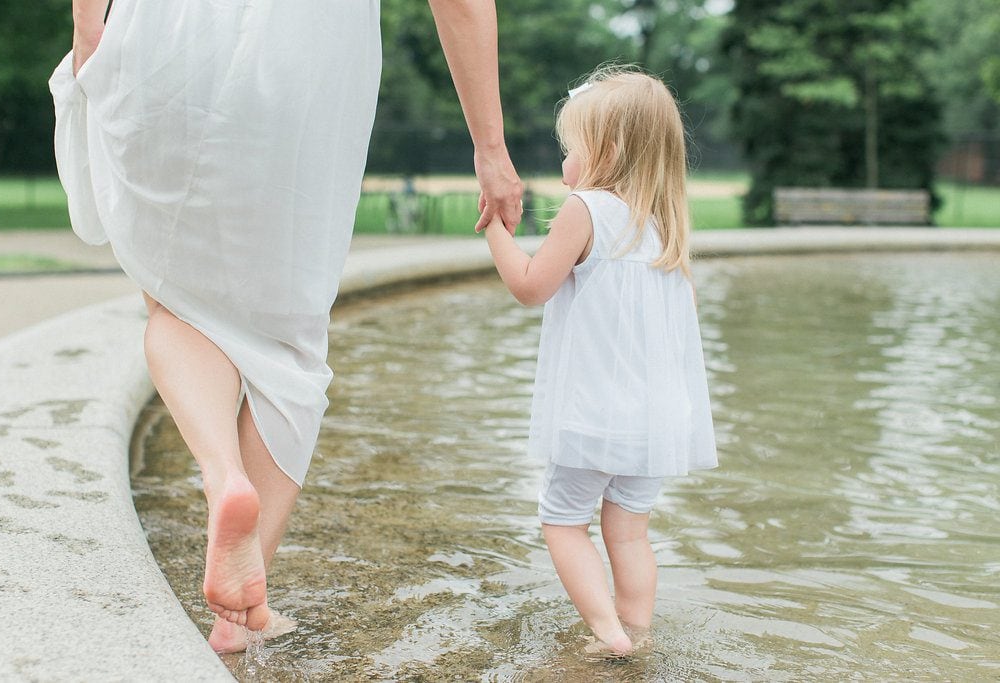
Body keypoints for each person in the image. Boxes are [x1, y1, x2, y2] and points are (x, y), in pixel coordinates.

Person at [50, 0, 522, 654]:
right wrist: (490, 149)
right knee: (291, 352)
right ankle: (235, 618)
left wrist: (87, 28)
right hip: (306, 60)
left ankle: (223, 475)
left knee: (174, 299)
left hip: (163, 39)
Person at [482, 65, 718, 656]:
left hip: (594, 414)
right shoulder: (665, 229)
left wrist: (493, 229)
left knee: (563, 520)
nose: (566, 156)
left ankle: (608, 634)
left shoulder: (585, 209)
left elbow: (533, 286)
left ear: (605, 150)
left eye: (571, 145)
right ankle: (637, 628)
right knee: (630, 532)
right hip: (657, 420)